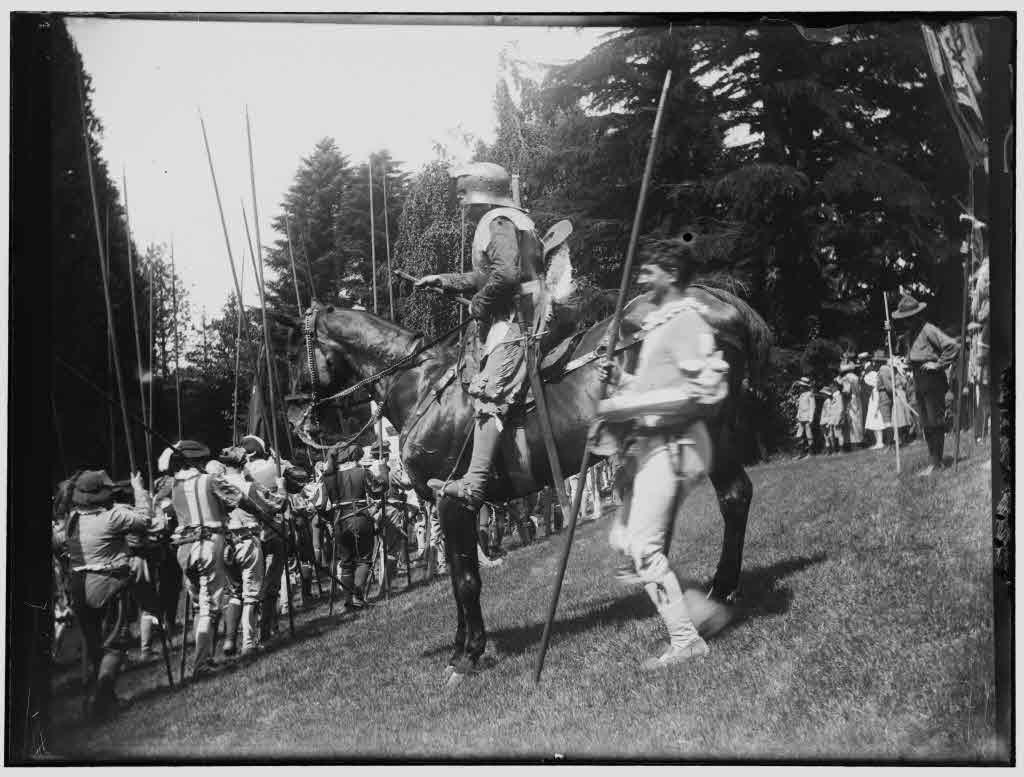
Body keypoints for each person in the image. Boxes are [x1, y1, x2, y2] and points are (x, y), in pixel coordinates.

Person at [596, 232, 731, 670]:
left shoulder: (688, 321)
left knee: (645, 549)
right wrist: (618, 379)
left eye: (649, 269)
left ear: (671, 274)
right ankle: (698, 608)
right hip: (654, 444)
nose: (641, 275)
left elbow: (703, 390)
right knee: (626, 541)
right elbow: (653, 385)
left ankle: (686, 639)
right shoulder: (662, 321)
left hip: (679, 445)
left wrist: (624, 405)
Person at [416, 161, 543, 510]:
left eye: (463, 195)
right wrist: (443, 280)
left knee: (488, 390)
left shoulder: (497, 220)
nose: (460, 204)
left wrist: (479, 306)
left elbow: (505, 275)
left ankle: (474, 484)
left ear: (481, 193)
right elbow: (484, 276)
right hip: (518, 311)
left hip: (521, 317)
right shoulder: (507, 219)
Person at [166, 440, 286, 676]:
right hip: (211, 543)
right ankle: (208, 660)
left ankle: (211, 654)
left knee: (210, 602)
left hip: (184, 549)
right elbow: (240, 500)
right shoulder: (210, 480)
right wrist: (259, 511)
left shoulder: (174, 485)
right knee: (215, 604)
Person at [55, 468, 161, 718]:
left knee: (95, 646)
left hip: (78, 586)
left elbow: (56, 543)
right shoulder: (112, 517)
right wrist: (139, 492)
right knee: (114, 646)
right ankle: (102, 701)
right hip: (107, 583)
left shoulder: (71, 520)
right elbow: (145, 521)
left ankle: (104, 698)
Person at [216, 447, 283, 658]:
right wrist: (281, 489)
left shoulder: (215, 486)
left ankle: (229, 641)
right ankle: (248, 642)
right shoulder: (249, 486)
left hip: (224, 543)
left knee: (234, 594)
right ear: (243, 463)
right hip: (247, 540)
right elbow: (276, 505)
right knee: (251, 594)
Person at [891, 293, 960, 475]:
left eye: (908, 319)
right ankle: (933, 461)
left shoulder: (929, 329)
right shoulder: (910, 334)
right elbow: (909, 353)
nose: (905, 323)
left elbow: (952, 346)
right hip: (918, 379)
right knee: (926, 423)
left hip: (932, 380)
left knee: (935, 421)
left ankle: (936, 463)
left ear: (916, 316)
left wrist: (938, 364)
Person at [240, 434, 293, 639]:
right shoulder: (273, 467)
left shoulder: (241, 473)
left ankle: (256, 631)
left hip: (250, 535)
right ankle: (268, 628)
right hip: (274, 529)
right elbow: (291, 470)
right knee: (272, 584)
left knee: (252, 585)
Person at [314, 443, 374, 610]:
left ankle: (349, 599)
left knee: (346, 563)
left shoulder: (327, 477)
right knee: (363, 559)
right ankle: (357, 597)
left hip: (340, 521)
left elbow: (319, 505)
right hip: (360, 517)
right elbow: (378, 489)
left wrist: (330, 518)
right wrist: (383, 470)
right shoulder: (362, 472)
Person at [839, 359, 864, 450]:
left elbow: (846, 391)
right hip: (857, 398)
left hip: (849, 400)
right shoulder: (855, 377)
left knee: (851, 421)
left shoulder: (845, 378)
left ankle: (852, 443)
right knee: (857, 420)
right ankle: (859, 441)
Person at [793, 377, 815, 458]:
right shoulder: (801, 395)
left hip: (807, 418)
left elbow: (812, 407)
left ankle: (810, 453)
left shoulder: (810, 394)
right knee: (799, 436)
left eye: (801, 386)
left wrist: (811, 418)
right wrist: (797, 416)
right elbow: (800, 407)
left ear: (805, 386)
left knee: (809, 435)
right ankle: (801, 453)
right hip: (801, 418)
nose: (800, 387)